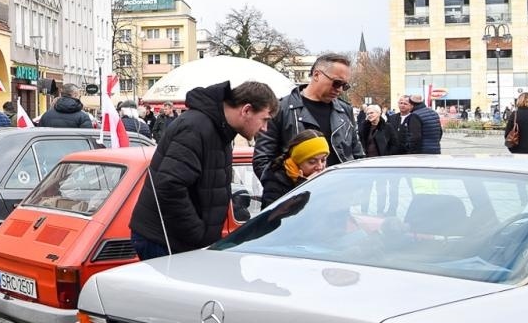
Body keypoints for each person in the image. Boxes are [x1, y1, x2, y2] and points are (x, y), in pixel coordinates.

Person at [128, 80, 278, 259]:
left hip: (175, 239)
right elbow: (169, 185)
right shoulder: (195, 127)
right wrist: (198, 236)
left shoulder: (219, 130)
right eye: (265, 120)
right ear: (246, 110)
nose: (265, 128)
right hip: (165, 240)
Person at [252, 53, 363, 182]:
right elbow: (262, 161)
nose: (340, 90)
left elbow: (358, 157)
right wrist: (293, 187)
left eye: (345, 86)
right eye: (337, 83)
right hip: (298, 193)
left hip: (340, 190)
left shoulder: (345, 110)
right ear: (316, 75)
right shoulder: (281, 109)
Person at [260, 130, 330, 206]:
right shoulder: (275, 180)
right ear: (297, 162)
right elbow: (275, 212)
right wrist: (303, 187)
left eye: (323, 160)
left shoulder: (328, 177)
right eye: (312, 162)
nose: (320, 167)